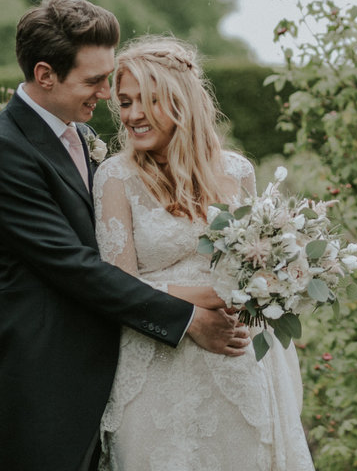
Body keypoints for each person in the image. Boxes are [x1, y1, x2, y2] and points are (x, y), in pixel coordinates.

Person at [0, 0, 249, 471]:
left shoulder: (80, 134)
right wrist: (187, 317)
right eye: (94, 80)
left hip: (120, 368)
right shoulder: (0, 152)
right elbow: (73, 266)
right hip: (48, 377)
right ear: (45, 75)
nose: (106, 93)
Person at [93, 35, 314, 470]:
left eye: (149, 100)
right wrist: (215, 295)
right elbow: (116, 286)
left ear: (182, 102)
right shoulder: (114, 177)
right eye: (125, 102)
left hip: (235, 364)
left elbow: (260, 269)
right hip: (156, 369)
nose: (133, 114)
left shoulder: (236, 171)